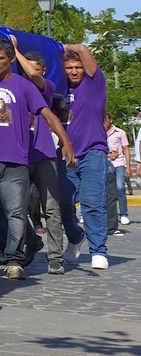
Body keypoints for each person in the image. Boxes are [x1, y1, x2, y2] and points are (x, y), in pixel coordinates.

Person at [0, 38, 75, 280]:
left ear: (11, 59)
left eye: (0, 58)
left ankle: (15, 260)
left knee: (16, 212)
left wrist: (66, 142)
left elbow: (47, 115)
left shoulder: (24, 87)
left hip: (15, 159)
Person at [12, 39, 80, 274]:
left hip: (44, 154)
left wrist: (16, 51)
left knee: (51, 207)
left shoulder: (46, 87)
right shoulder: (16, 88)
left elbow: (31, 74)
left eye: (34, 70)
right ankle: (25, 247)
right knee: (16, 208)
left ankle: (55, 257)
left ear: (43, 71)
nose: (29, 75)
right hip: (19, 155)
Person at [61, 44, 112, 270]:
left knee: (92, 203)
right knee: (63, 204)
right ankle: (74, 237)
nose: (74, 71)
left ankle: (98, 250)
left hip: (93, 151)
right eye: (69, 67)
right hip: (65, 155)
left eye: (78, 67)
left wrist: (61, 47)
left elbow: (82, 48)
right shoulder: (58, 91)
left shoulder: (94, 85)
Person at [105, 113, 130, 234]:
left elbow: (126, 149)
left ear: (110, 119)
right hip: (104, 164)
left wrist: (128, 166)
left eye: (105, 119)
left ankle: (123, 214)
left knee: (119, 187)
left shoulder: (120, 132)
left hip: (118, 163)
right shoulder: (98, 132)